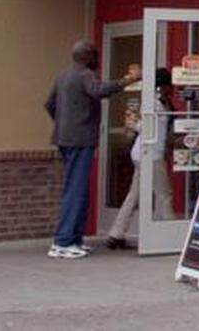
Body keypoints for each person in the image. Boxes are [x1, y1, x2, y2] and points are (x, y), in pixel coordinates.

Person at [44, 40, 140, 259]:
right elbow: (99, 91)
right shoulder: (85, 74)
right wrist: (127, 80)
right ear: (88, 57)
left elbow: (49, 104)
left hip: (64, 139)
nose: (97, 59)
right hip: (80, 140)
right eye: (95, 55)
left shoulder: (62, 76)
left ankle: (75, 240)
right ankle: (64, 242)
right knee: (76, 190)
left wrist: (64, 123)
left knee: (77, 189)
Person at [105, 67, 176, 249]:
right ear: (163, 86)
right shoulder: (154, 103)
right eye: (169, 85)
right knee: (164, 194)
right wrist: (134, 124)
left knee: (134, 194)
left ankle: (116, 233)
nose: (172, 88)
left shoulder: (159, 101)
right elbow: (145, 127)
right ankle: (170, 233)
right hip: (151, 155)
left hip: (142, 153)